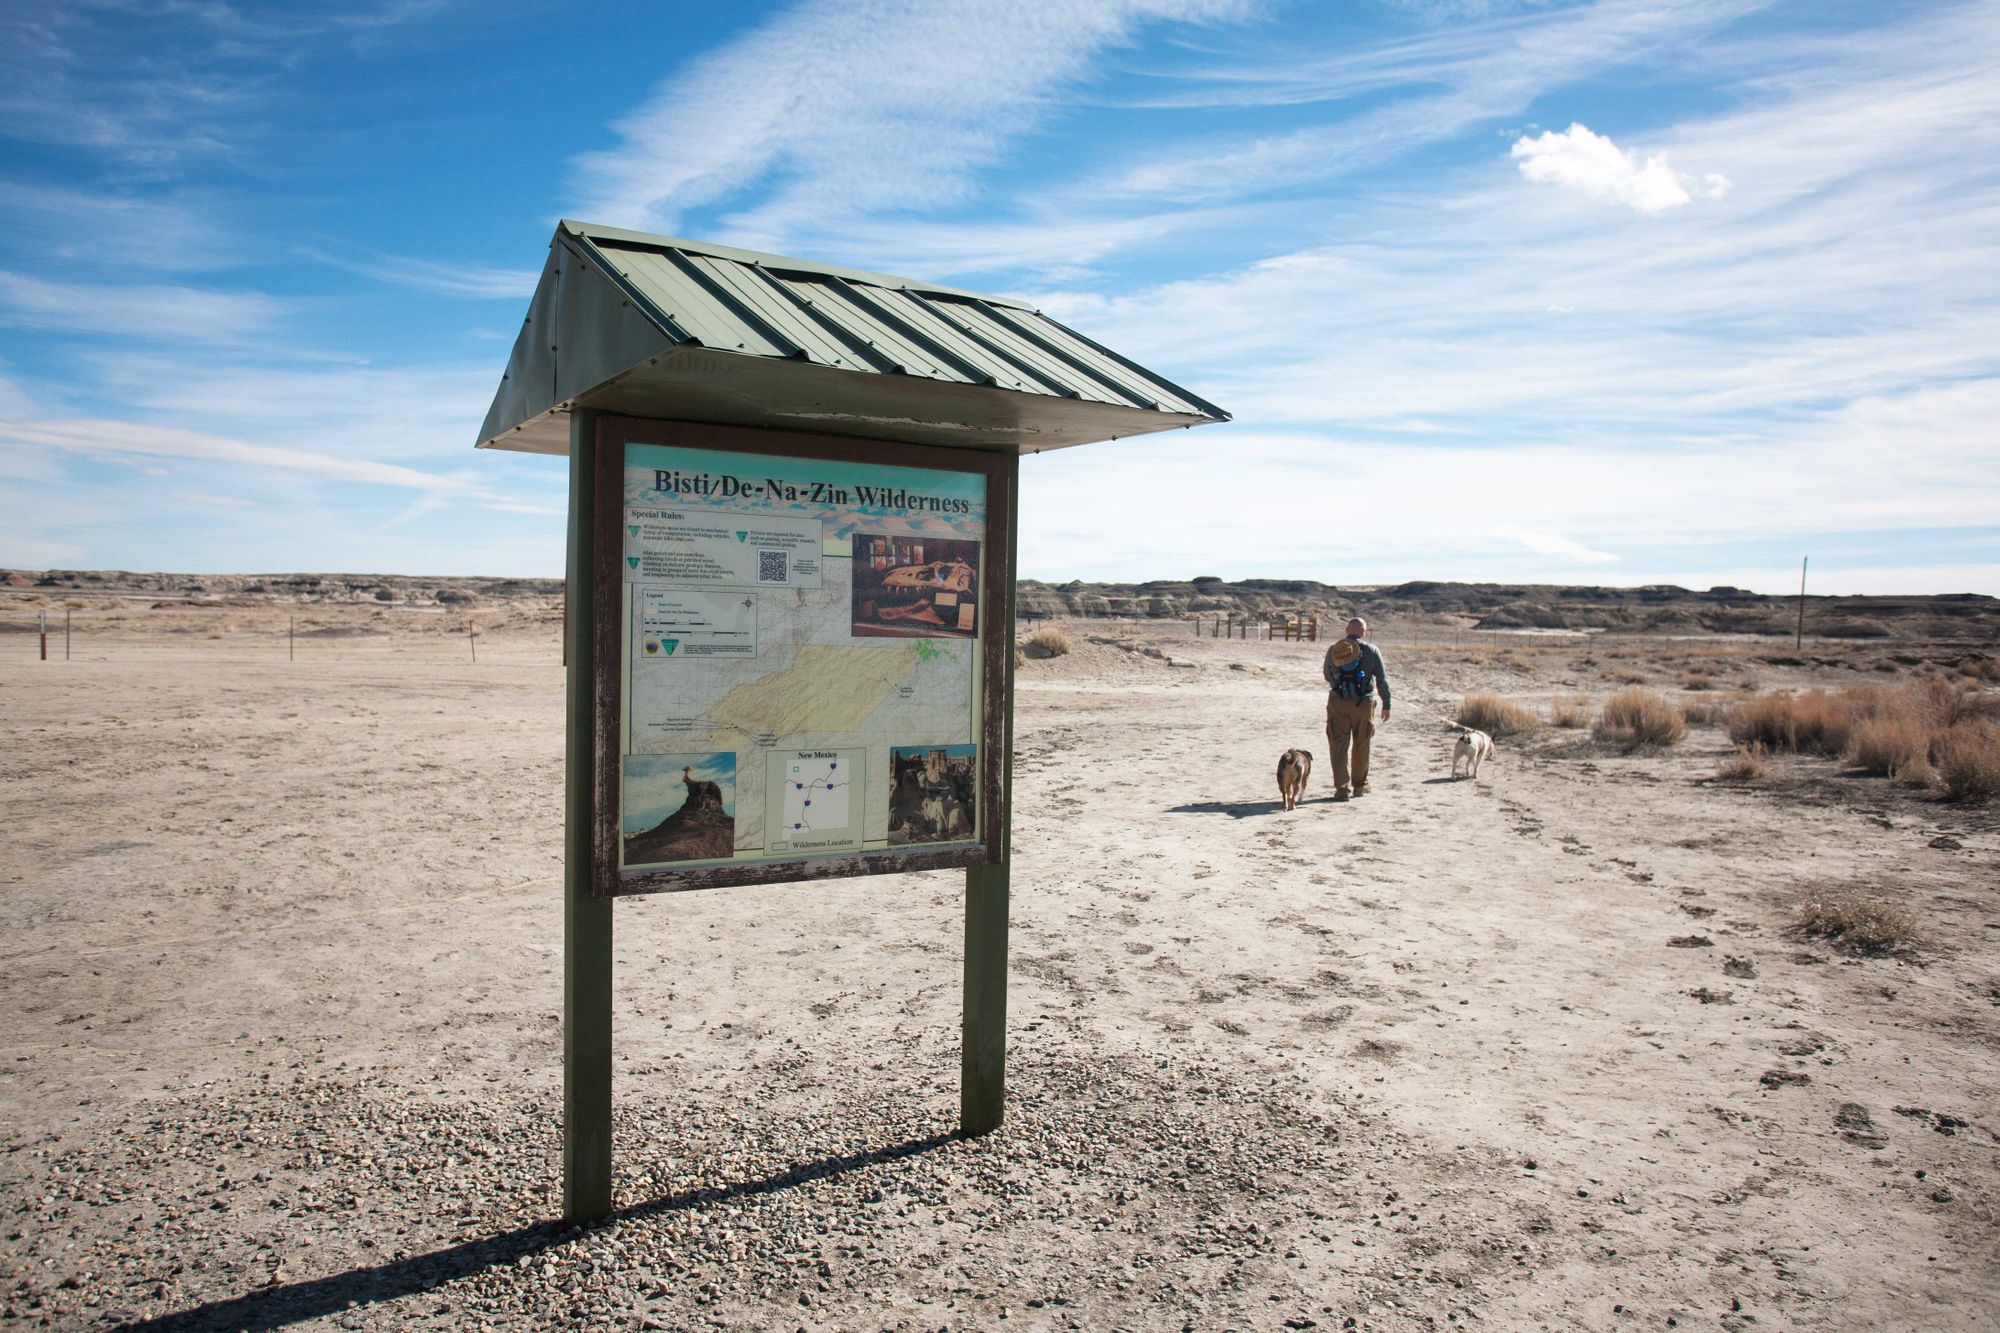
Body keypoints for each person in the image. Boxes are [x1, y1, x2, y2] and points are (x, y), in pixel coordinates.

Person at [1322, 617, 1391, 801]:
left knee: (1338, 745)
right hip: (1364, 704)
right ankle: (1359, 786)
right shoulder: (1372, 650)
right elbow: (1382, 680)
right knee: (1362, 744)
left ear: (1346, 630)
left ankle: (1341, 789)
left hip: (1338, 703)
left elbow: (1327, 675)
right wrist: (1387, 704)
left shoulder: (1334, 650)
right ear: (1364, 632)